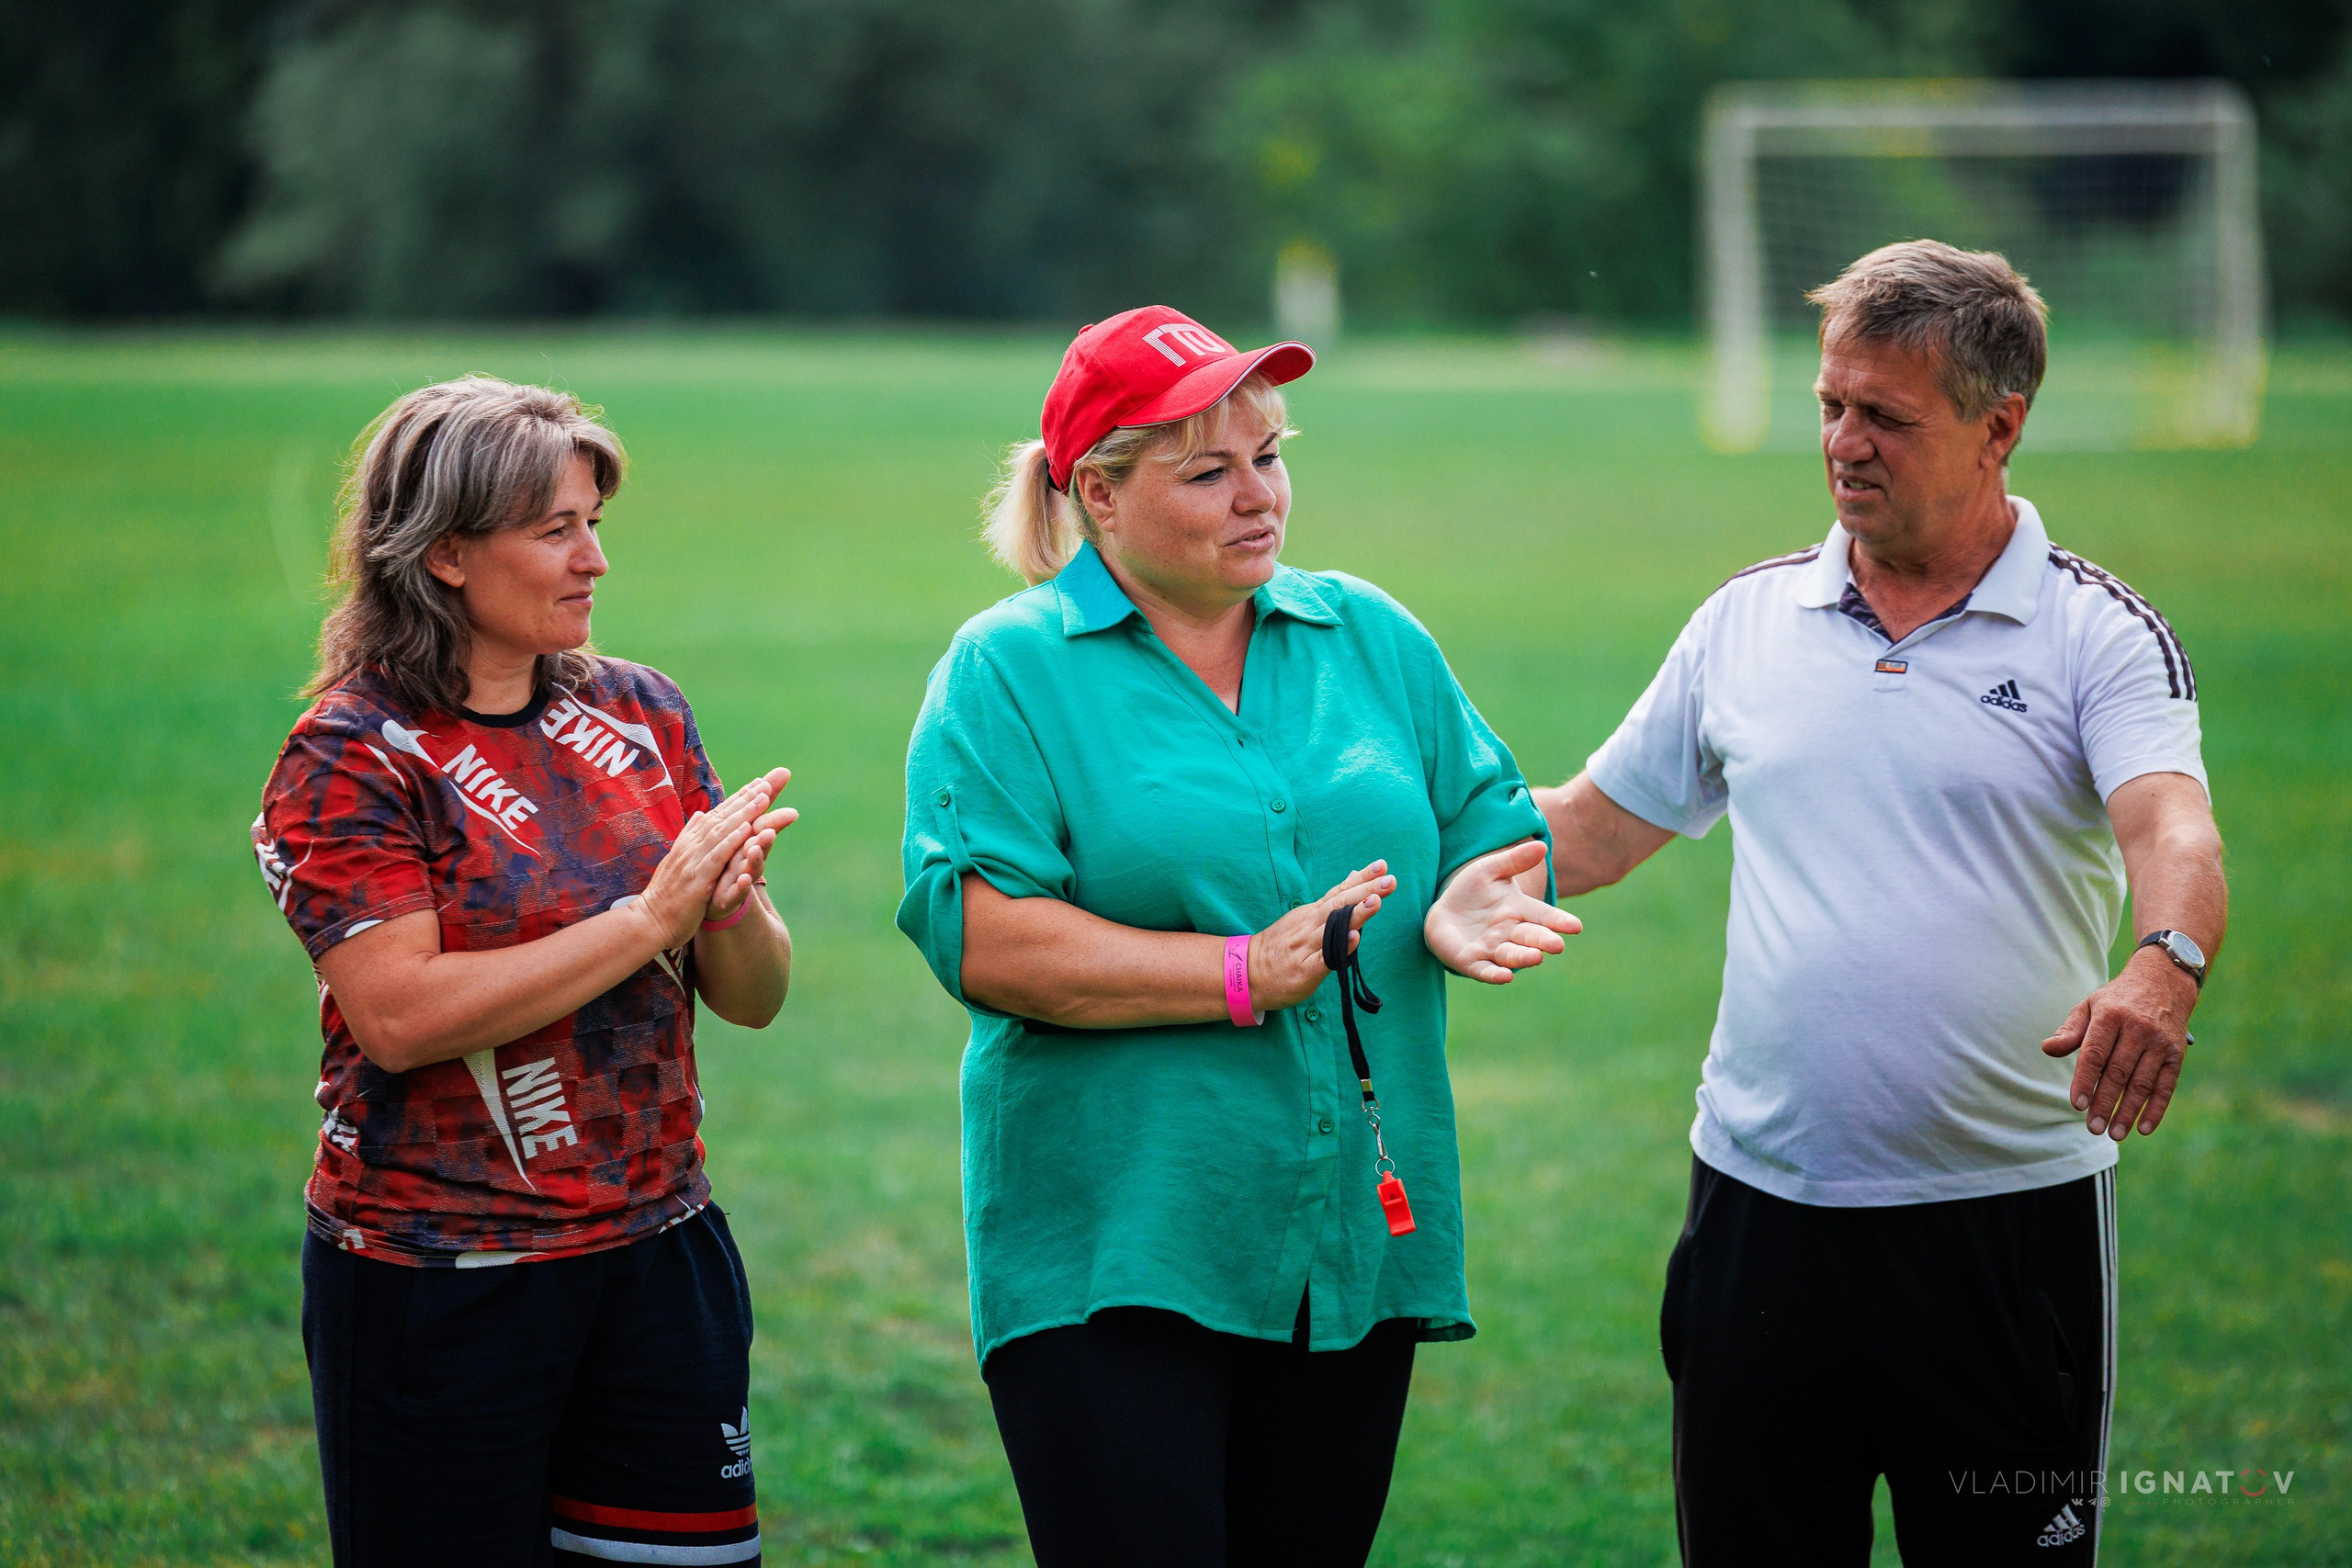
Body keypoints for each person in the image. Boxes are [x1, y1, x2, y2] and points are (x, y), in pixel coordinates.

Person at [1529, 242, 2227, 1565]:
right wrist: (1396, 875)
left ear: (1998, 426)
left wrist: (2165, 963)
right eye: (1831, 407)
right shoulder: (1746, 621)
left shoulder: (2098, 635)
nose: (1845, 443)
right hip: (1756, 1219)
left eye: (1887, 418)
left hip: (2001, 1231)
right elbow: (1592, 830)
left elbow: (2173, 827)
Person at [895, 306, 1580, 1567]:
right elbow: (983, 939)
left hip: (1349, 1238)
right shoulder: (1007, 671)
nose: (1258, 495)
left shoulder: (1369, 633)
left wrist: (1475, 892)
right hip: (1120, 1247)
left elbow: (1493, 819)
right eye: (1207, 470)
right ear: (1099, 495)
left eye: (1268, 455)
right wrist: (1240, 972)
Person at [251, 377, 796, 1567]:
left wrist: (728, 906)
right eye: (556, 529)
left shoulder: (642, 713)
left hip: (660, 1258)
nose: (594, 558)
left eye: (596, 522)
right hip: (442, 1285)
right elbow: (398, 1017)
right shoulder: (352, 753)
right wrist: (652, 914)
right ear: (444, 554)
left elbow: (753, 999)